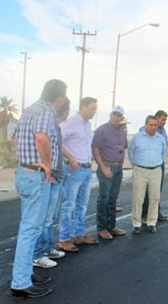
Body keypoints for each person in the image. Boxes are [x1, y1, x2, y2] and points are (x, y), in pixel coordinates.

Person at [11, 79, 67, 298]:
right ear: (60, 96)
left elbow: (15, 139)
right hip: (36, 176)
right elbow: (41, 138)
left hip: (24, 172)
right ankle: (20, 283)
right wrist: (47, 165)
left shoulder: (30, 110)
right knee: (30, 229)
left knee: (28, 227)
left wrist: (26, 159)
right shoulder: (46, 111)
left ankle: (24, 273)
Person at [32, 97, 70, 269]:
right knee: (44, 218)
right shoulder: (49, 125)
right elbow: (44, 148)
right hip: (51, 177)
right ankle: (38, 253)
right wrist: (51, 171)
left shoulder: (56, 127)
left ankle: (47, 248)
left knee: (50, 217)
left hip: (56, 176)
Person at [58, 97, 99, 252]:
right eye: (92, 108)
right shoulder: (70, 123)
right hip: (74, 170)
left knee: (82, 204)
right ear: (83, 106)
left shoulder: (87, 125)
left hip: (87, 169)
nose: (95, 111)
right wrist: (71, 157)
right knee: (68, 204)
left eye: (96, 109)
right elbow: (58, 143)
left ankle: (79, 234)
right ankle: (64, 238)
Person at [92, 106, 128, 240]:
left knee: (113, 199)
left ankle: (111, 226)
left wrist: (121, 164)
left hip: (118, 168)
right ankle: (102, 228)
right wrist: (103, 168)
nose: (116, 117)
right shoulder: (102, 129)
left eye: (119, 115)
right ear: (110, 114)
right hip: (106, 167)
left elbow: (123, 148)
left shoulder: (122, 130)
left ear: (122, 117)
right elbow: (95, 148)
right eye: (114, 114)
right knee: (104, 198)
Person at [129, 115, 167, 234]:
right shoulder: (137, 137)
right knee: (138, 198)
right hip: (140, 170)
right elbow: (131, 153)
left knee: (154, 197)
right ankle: (136, 224)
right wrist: (137, 165)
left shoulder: (160, 138)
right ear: (146, 125)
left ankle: (151, 223)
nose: (153, 127)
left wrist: (157, 163)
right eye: (150, 125)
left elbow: (163, 153)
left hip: (156, 171)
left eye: (155, 125)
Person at [141, 110, 168, 221]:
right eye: (163, 119)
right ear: (156, 118)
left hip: (159, 164)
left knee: (157, 190)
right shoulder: (144, 130)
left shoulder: (163, 131)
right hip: (147, 165)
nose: (165, 122)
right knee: (147, 190)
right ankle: (144, 214)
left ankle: (156, 213)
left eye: (166, 120)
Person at [115, 117, 130, 213]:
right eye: (124, 125)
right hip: (111, 164)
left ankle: (114, 203)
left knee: (116, 186)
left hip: (119, 164)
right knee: (109, 188)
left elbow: (124, 149)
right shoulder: (114, 135)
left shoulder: (123, 135)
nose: (126, 127)